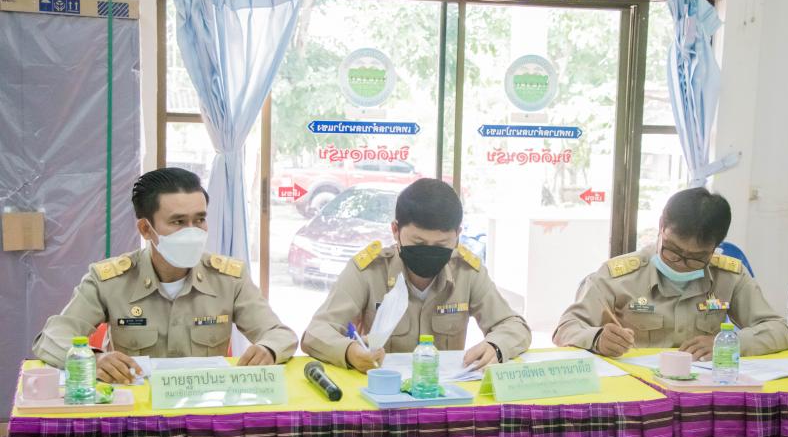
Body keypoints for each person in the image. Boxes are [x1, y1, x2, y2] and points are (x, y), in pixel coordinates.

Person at [33, 168, 297, 382]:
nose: (193, 232)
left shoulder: (229, 278)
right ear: (145, 229)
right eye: (178, 222)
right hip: (135, 412)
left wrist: (267, 349)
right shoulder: (109, 281)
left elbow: (279, 334)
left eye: (200, 219)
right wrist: (94, 359)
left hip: (203, 410)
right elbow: (51, 338)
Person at [301, 178, 531, 372]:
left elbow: (514, 326)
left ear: (458, 235)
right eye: (418, 242)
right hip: (381, 394)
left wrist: (496, 347)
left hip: (444, 395)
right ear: (395, 230)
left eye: (441, 244)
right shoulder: (368, 271)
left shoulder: (467, 272)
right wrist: (349, 352)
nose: (429, 251)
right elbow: (316, 332)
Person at [553, 187, 788, 360]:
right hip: (639, 392)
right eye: (673, 251)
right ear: (661, 227)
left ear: (715, 247)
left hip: (703, 390)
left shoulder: (729, 275)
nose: (681, 264)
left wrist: (729, 344)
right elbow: (566, 328)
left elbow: (779, 330)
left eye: (697, 257)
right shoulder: (618, 275)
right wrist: (597, 339)